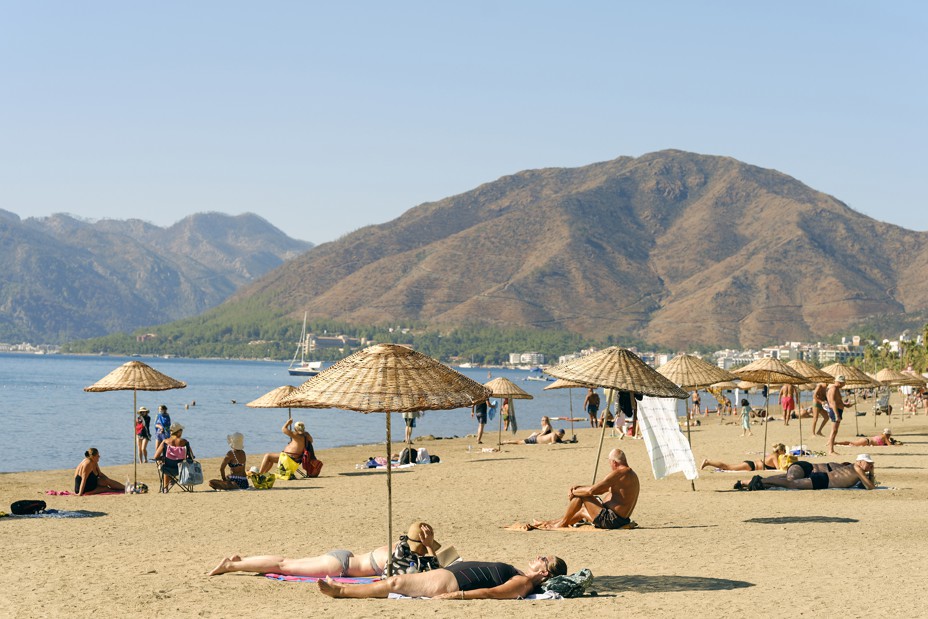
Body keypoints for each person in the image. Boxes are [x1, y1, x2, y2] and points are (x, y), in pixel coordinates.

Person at [209, 521, 442, 577]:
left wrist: (428, 546)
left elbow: (431, 564)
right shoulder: (402, 558)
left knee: (285, 561)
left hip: (344, 559)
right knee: (283, 566)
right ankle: (231, 565)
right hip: (339, 566)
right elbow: (434, 571)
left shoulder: (400, 545)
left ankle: (241, 560)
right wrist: (431, 547)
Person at [317, 554, 567, 600]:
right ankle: (341, 588)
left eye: (543, 558)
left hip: (455, 582)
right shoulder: (521, 575)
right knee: (397, 583)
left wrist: (456, 596)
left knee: (396, 583)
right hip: (453, 573)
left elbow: (492, 593)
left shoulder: (523, 583)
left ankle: (341, 591)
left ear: (544, 572)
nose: (538, 555)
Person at [529, 448, 639, 530]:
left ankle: (561, 524)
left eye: (609, 462)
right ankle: (549, 522)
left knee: (582, 496)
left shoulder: (618, 473)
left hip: (611, 520)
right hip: (620, 519)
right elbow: (601, 490)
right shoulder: (630, 474)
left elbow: (591, 491)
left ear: (614, 462)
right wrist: (579, 487)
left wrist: (574, 492)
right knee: (581, 511)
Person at [739, 454, 876, 491]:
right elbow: (870, 486)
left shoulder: (856, 469)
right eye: (868, 463)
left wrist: (871, 471)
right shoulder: (857, 468)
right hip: (823, 480)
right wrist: (871, 474)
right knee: (791, 484)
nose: (870, 465)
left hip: (822, 479)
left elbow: (867, 484)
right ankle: (759, 481)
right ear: (860, 461)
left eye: (871, 464)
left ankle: (758, 482)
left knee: (789, 482)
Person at [154, 422, 194, 491]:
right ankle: (174, 481)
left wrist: (161, 459)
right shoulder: (185, 442)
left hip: (166, 469)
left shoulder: (165, 442)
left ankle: (165, 487)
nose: (182, 432)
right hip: (181, 469)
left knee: (166, 462)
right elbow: (191, 456)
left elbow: (155, 456)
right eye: (181, 430)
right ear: (178, 432)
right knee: (169, 461)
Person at [700, 443, 787, 472]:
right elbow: (778, 469)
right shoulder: (775, 456)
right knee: (728, 467)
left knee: (728, 467)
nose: (785, 453)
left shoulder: (773, 455)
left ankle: (708, 462)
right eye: (784, 451)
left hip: (751, 465)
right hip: (751, 466)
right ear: (780, 451)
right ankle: (708, 462)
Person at [826, 375, 849, 455]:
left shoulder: (836, 389)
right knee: (834, 431)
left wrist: (845, 405)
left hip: (837, 410)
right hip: (835, 411)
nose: (844, 385)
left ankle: (830, 445)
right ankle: (831, 450)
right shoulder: (833, 389)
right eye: (843, 383)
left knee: (834, 431)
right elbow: (832, 402)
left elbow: (837, 401)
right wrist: (837, 414)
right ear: (839, 382)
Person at [836, 428, 902, 447]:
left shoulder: (882, 435)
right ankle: (836, 443)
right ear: (888, 434)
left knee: (851, 443)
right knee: (851, 443)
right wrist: (894, 443)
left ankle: (836, 443)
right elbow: (890, 445)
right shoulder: (885, 437)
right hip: (867, 441)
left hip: (866, 440)